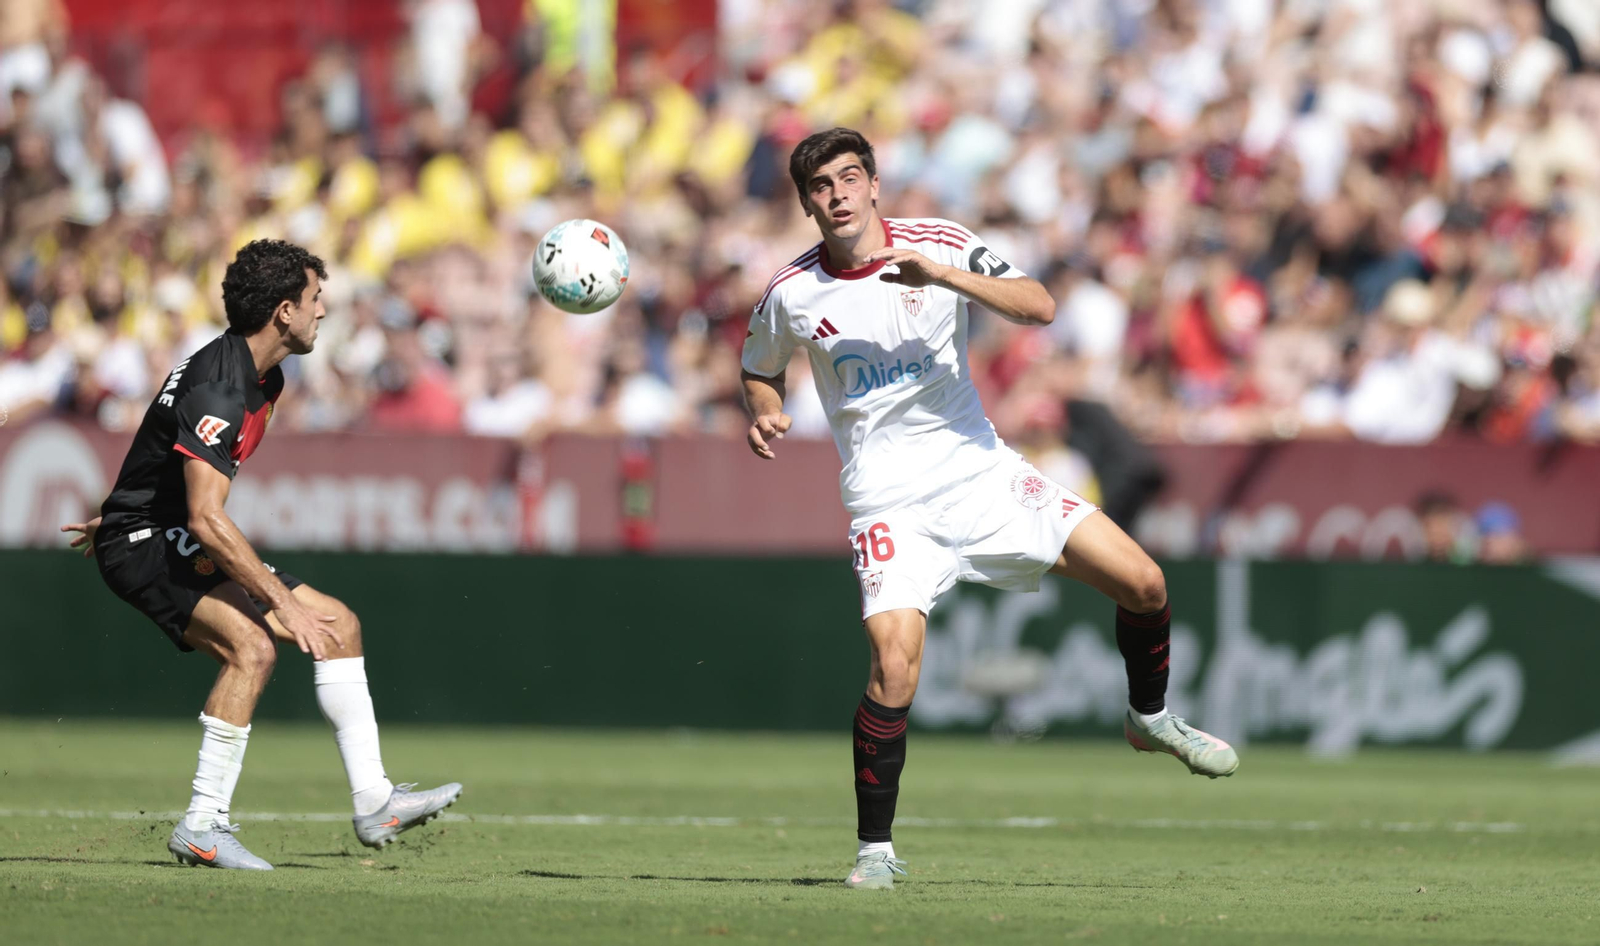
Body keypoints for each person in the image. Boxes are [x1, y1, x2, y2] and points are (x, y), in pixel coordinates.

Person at [740, 128, 1238, 890]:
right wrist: (765, 410)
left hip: (981, 474)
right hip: (887, 502)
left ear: (874, 185)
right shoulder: (791, 292)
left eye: (848, 178)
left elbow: (1037, 305)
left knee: (1145, 583)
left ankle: (1149, 718)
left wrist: (941, 275)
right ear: (807, 203)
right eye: (820, 187)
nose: (837, 195)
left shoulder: (940, 243)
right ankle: (876, 852)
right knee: (893, 669)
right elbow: (758, 369)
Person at [61, 240, 461, 871]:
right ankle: (202, 825)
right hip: (145, 538)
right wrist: (279, 603)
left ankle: (374, 800)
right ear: (283, 312)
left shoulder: (261, 374)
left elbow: (165, 455)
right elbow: (205, 516)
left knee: (339, 625)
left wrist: (124, 501)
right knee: (254, 649)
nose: (323, 311)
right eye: (315, 298)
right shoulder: (224, 387)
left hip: (152, 524)